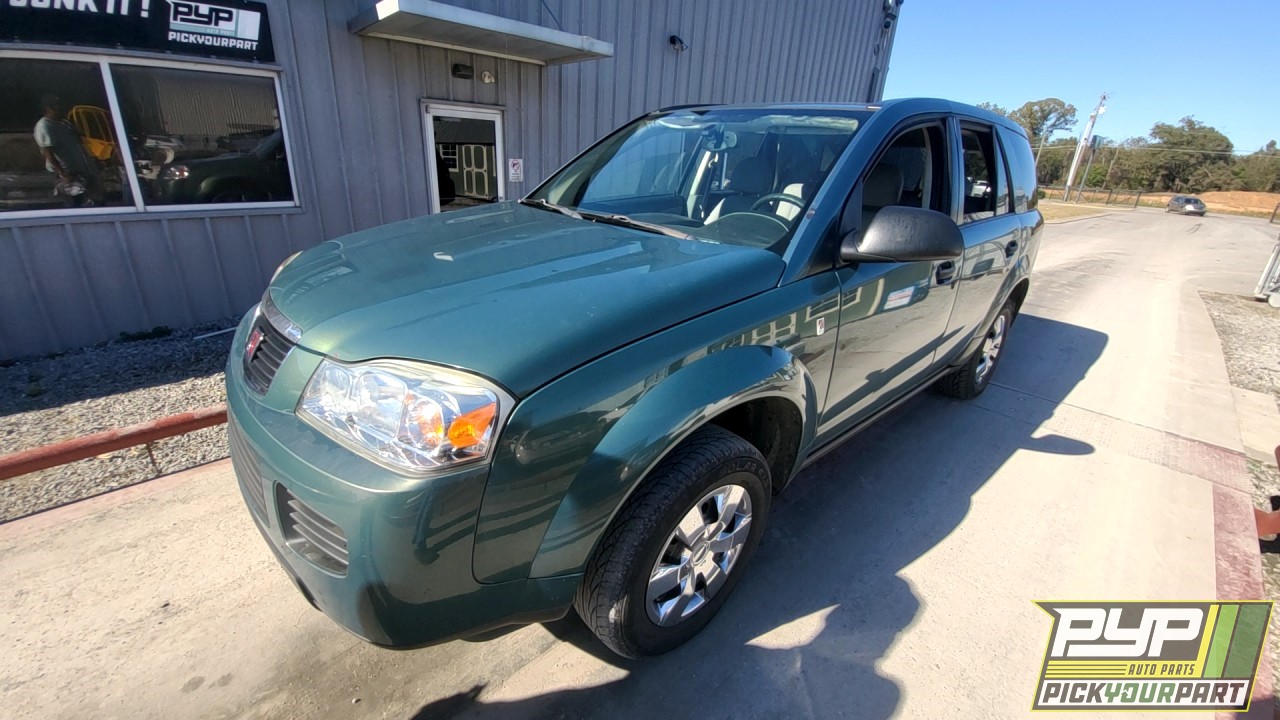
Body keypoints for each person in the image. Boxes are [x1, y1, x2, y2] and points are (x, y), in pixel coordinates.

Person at [33, 94, 105, 207]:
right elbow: (48, 153)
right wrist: (63, 174)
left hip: (84, 171)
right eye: (58, 105)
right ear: (49, 107)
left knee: (97, 202)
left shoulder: (65, 123)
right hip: (68, 174)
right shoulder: (45, 126)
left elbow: (79, 144)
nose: (63, 108)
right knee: (76, 204)